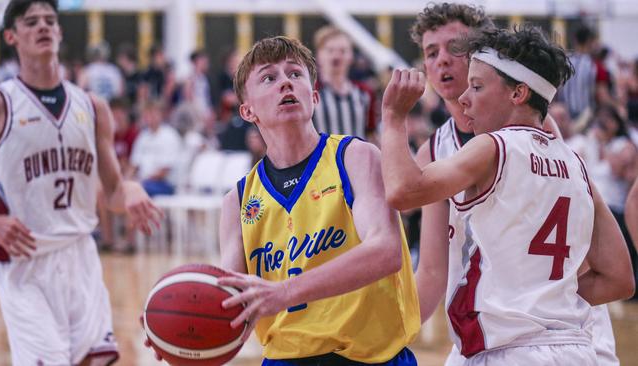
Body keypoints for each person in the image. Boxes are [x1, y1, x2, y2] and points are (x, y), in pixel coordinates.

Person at [381, 26, 634, 364]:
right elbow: (620, 279)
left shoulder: (492, 146)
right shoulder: (576, 163)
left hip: (509, 352)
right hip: (575, 348)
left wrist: (393, 117)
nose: (465, 98)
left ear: (518, 93)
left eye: (477, 86)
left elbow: (402, 191)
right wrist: (547, 298)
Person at [217, 36, 420, 365]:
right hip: (286, 358)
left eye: (295, 74)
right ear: (247, 110)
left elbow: (385, 250)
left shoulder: (355, 157)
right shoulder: (238, 200)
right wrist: (180, 334)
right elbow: (230, 304)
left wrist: (284, 292)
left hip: (372, 357)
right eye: (269, 77)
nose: (285, 82)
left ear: (313, 96)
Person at [0, 1, 162, 365]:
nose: (43, 27)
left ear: (60, 31)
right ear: (11, 36)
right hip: (26, 261)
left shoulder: (92, 106)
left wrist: (131, 192)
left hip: (81, 254)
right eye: (31, 22)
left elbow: (113, 191)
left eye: (50, 20)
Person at [312, 26, 377, 140]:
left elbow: (371, 134)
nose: (336, 56)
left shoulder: (365, 93)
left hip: (357, 156)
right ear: (319, 55)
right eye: (330, 50)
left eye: (342, 51)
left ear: (351, 56)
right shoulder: (309, 92)